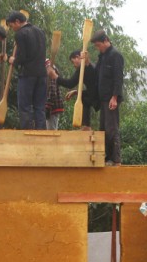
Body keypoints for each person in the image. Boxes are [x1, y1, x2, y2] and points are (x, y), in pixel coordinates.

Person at [6, 10, 47, 130]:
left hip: (28, 74)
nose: (12, 28)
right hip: (42, 74)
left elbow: (23, 57)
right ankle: (41, 132)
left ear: (17, 22)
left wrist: (14, 60)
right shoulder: (40, 32)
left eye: (12, 25)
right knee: (40, 106)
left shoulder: (20, 34)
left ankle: (27, 131)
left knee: (25, 106)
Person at [90, 29, 124, 165]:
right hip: (103, 98)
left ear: (105, 41)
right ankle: (107, 158)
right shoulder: (102, 56)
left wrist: (115, 97)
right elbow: (95, 73)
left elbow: (118, 78)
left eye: (99, 45)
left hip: (111, 98)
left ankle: (116, 159)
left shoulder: (116, 56)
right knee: (103, 128)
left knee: (112, 128)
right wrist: (86, 62)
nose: (98, 48)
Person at [47, 49, 98, 130]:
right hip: (95, 92)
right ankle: (86, 125)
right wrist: (77, 92)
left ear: (78, 57)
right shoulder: (83, 68)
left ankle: (86, 126)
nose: (73, 65)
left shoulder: (86, 66)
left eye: (73, 62)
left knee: (84, 98)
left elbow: (70, 83)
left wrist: (55, 77)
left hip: (100, 94)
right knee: (83, 98)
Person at [45, 60, 64, 130]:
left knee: (51, 131)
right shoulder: (49, 67)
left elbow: (52, 89)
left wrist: (48, 106)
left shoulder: (49, 69)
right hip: (52, 105)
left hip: (52, 107)